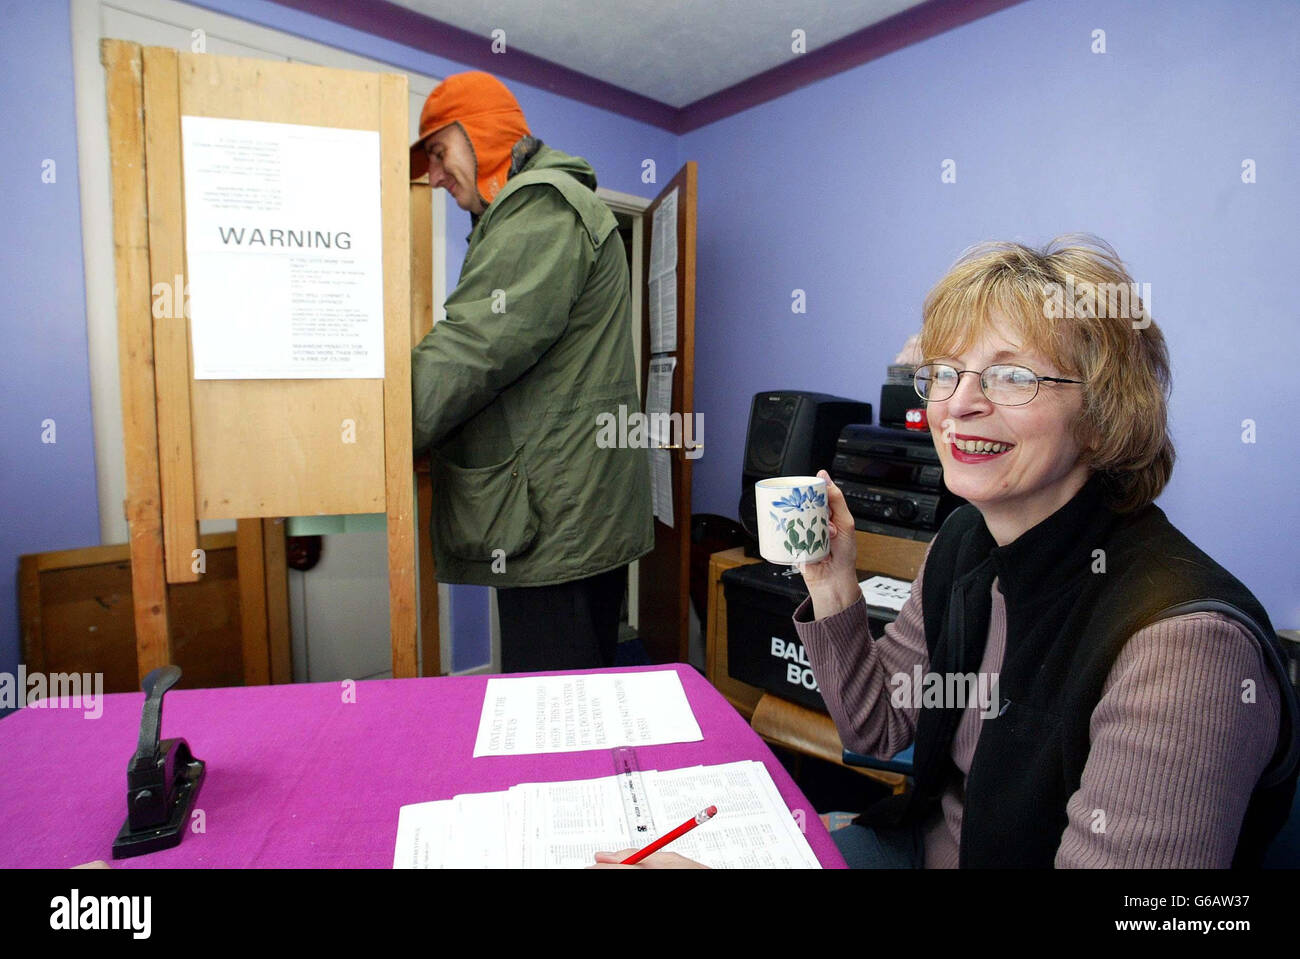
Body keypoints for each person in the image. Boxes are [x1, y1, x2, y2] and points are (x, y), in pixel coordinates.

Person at [598, 235, 1298, 868]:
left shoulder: (1185, 646)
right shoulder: (965, 540)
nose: (958, 404)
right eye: (946, 372)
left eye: (1012, 375)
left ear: (1101, 415)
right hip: (919, 839)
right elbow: (875, 726)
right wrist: (833, 579)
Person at [409, 72, 653, 672]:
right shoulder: (541, 209)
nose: (435, 176)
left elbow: (474, 347)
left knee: (553, 719)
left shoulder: (540, 206)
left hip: (558, 524)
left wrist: (370, 429)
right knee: (576, 702)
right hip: (566, 517)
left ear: (481, 134)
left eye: (439, 152)